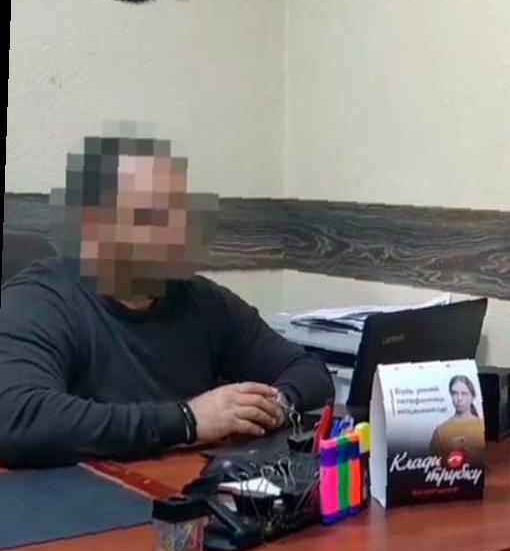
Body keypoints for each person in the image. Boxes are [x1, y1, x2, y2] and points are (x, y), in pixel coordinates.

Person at [0, 132, 334, 468]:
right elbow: (18, 420)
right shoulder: (38, 300)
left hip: (187, 487)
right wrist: (188, 420)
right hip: (86, 493)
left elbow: (308, 372)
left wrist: (275, 406)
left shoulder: (202, 299)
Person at [428, 374, 485, 463]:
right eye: (455, 393)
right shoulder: (441, 431)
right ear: (451, 396)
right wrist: (451, 450)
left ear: (472, 397)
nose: (459, 398)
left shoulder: (483, 426)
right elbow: (433, 463)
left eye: (464, 394)